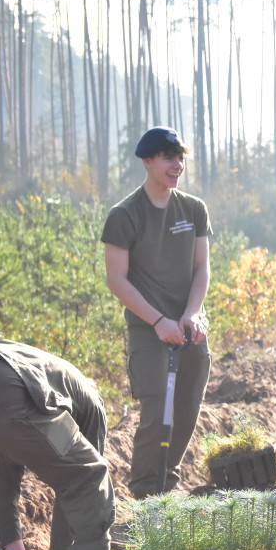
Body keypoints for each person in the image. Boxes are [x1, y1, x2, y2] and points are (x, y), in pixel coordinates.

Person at [101, 126, 212, 499]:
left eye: (180, 157)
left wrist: (192, 314)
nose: (177, 164)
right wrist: (159, 321)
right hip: (150, 331)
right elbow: (117, 280)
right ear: (147, 162)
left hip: (189, 327)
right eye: (168, 157)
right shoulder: (124, 214)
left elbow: (202, 269)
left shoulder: (194, 208)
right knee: (155, 415)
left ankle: (168, 488)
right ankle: (146, 496)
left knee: (184, 413)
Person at [0, 340, 115, 550]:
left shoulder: (52, 371)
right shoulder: (92, 404)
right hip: (9, 387)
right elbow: (78, 483)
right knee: (88, 476)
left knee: (0, 466)